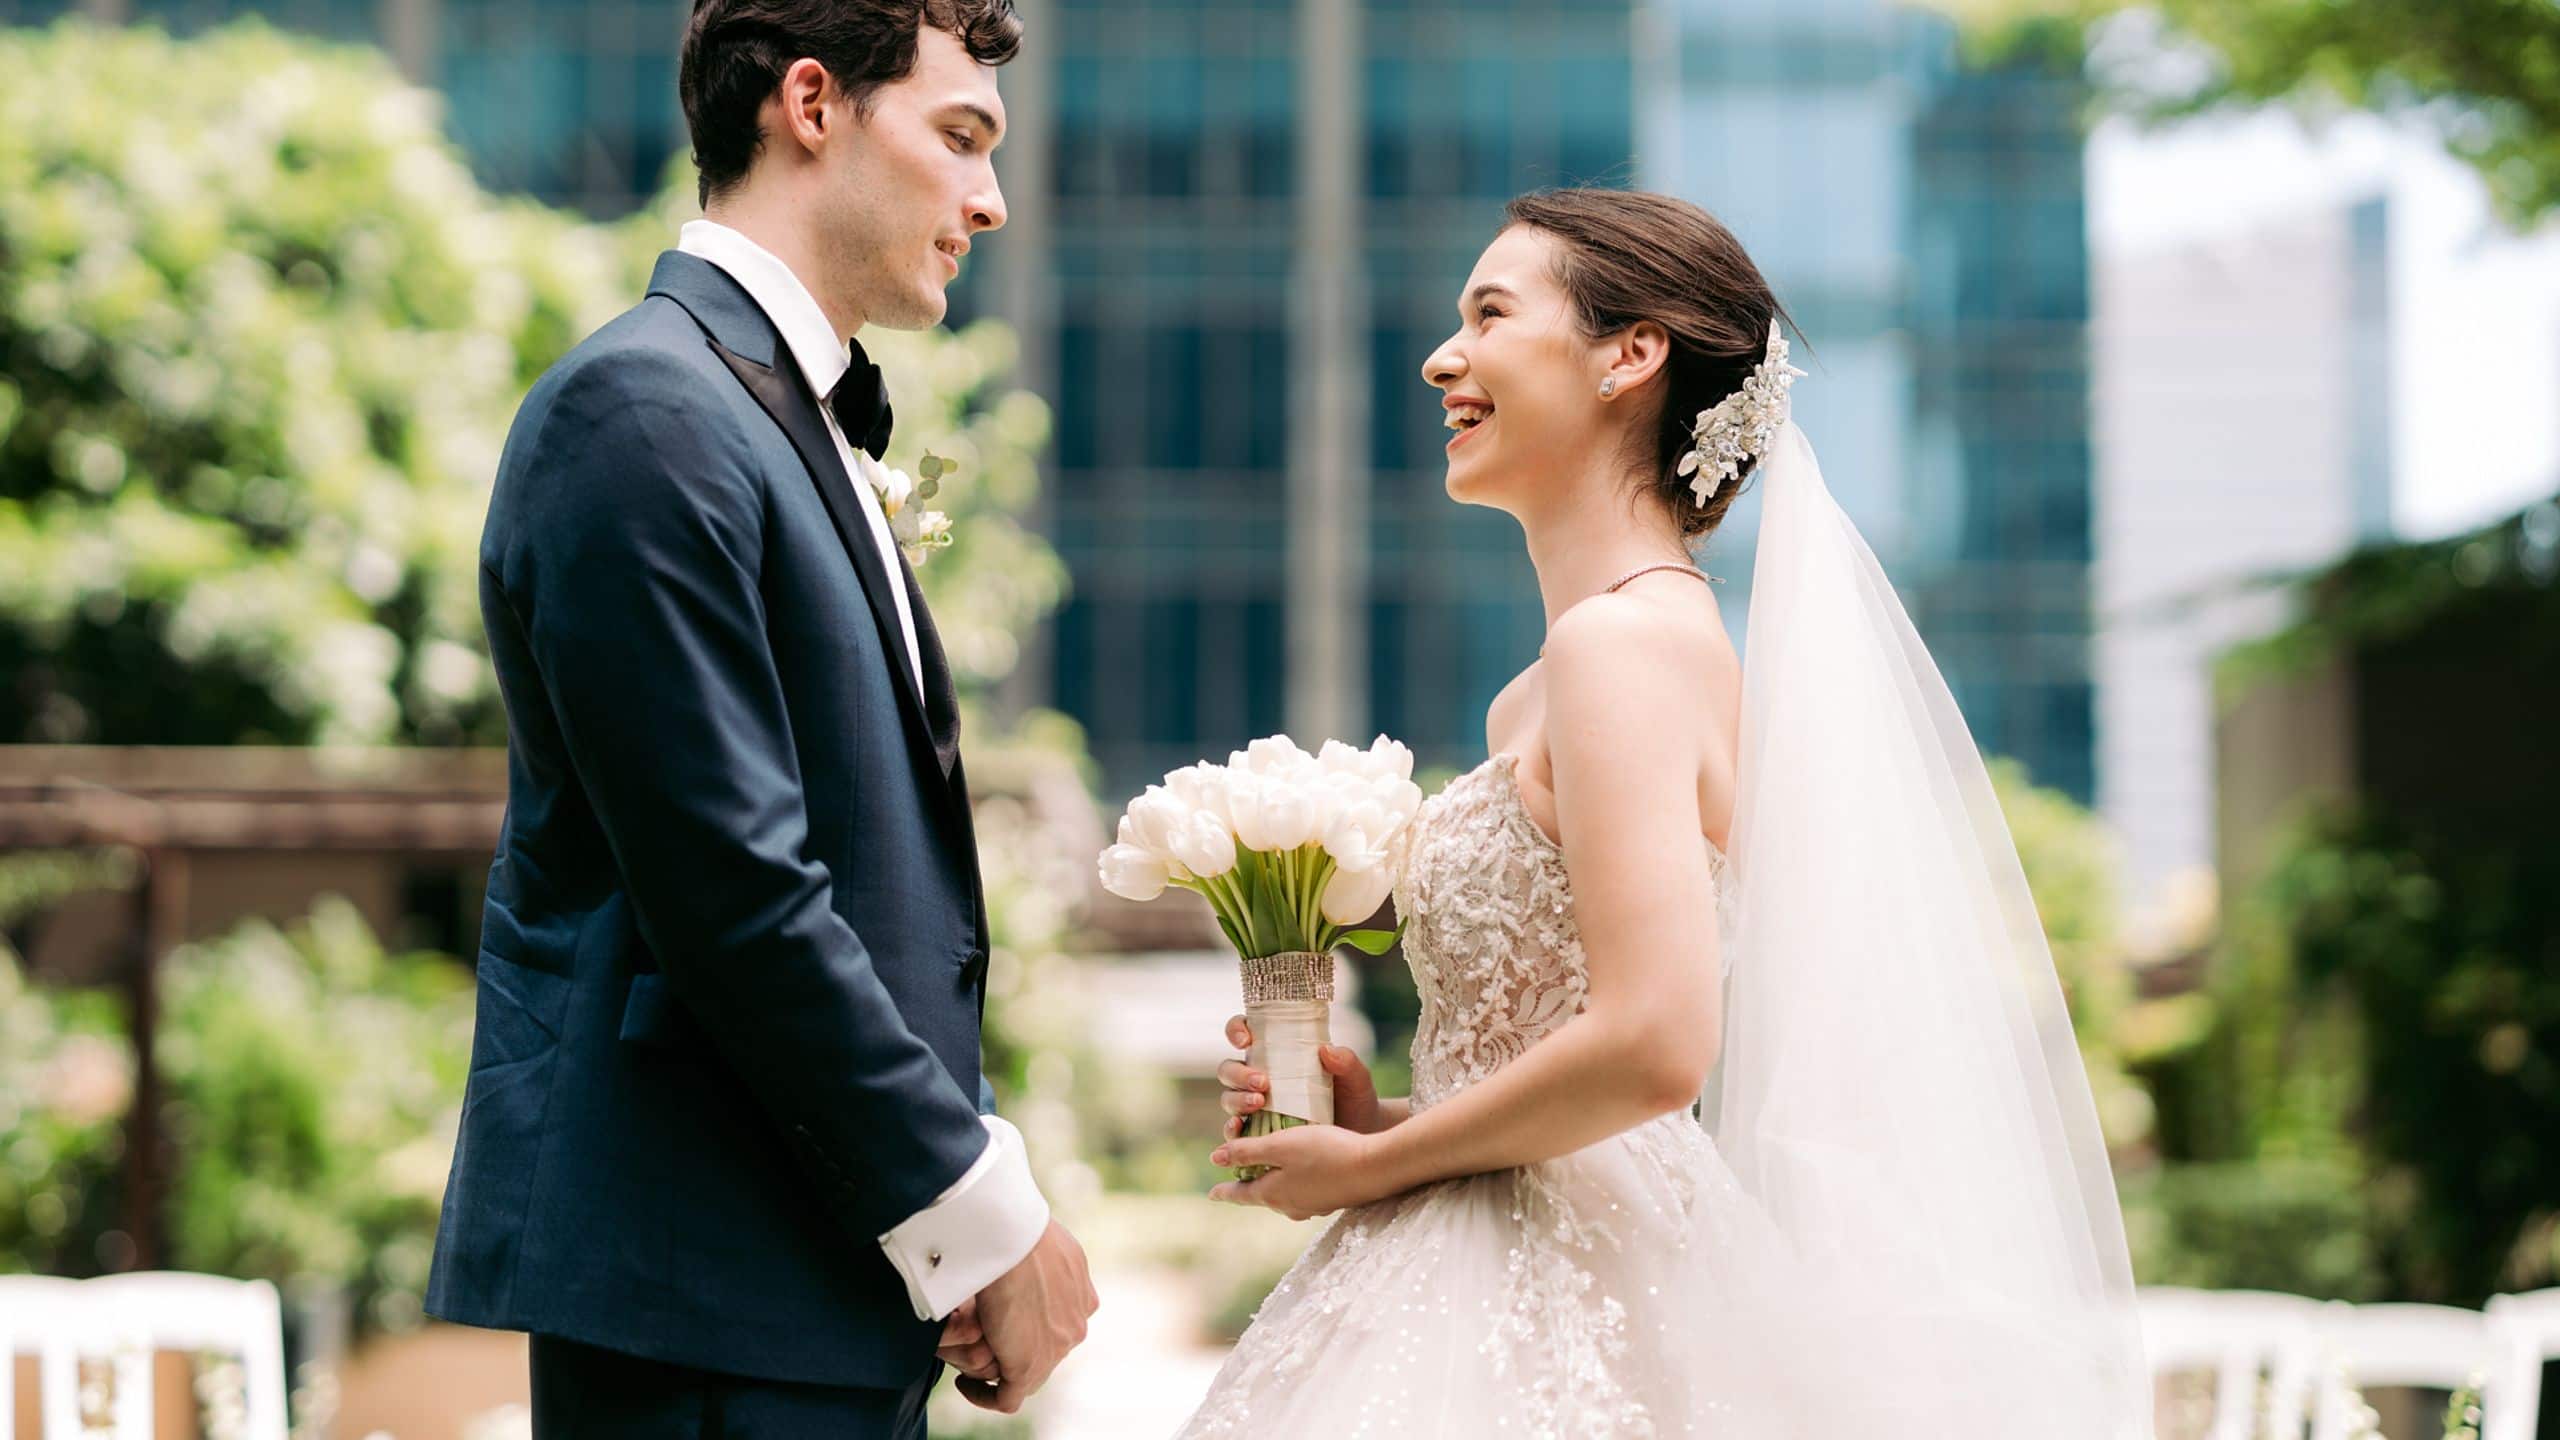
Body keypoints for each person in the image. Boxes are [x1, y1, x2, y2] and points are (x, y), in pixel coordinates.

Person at [1182, 189, 2152, 1437]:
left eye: (1489, 315)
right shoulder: (1547, 685)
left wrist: (1372, 1166)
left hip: (1560, 1285)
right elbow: (1576, 1068)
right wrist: (1394, 1120)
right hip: (1492, 1243)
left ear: (1629, 355)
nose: (1440, 358)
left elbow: (1655, 1042)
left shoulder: (1620, 650)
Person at [424, 3, 1096, 1433]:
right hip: (704, 1301)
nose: (989, 199)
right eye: (959, 137)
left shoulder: (768, 416)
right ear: (809, 103)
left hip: (812, 1292)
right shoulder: (643, 412)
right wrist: (982, 1214)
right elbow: (735, 895)